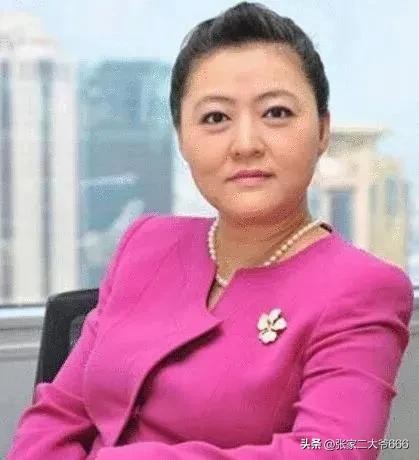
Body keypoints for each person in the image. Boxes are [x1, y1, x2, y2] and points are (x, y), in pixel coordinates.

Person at [6, 2, 414, 459]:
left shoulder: (363, 289)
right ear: (182, 138)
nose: (246, 144)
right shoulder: (148, 244)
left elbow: (331, 451)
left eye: (276, 112)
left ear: (322, 130)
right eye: (216, 118)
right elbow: (60, 412)